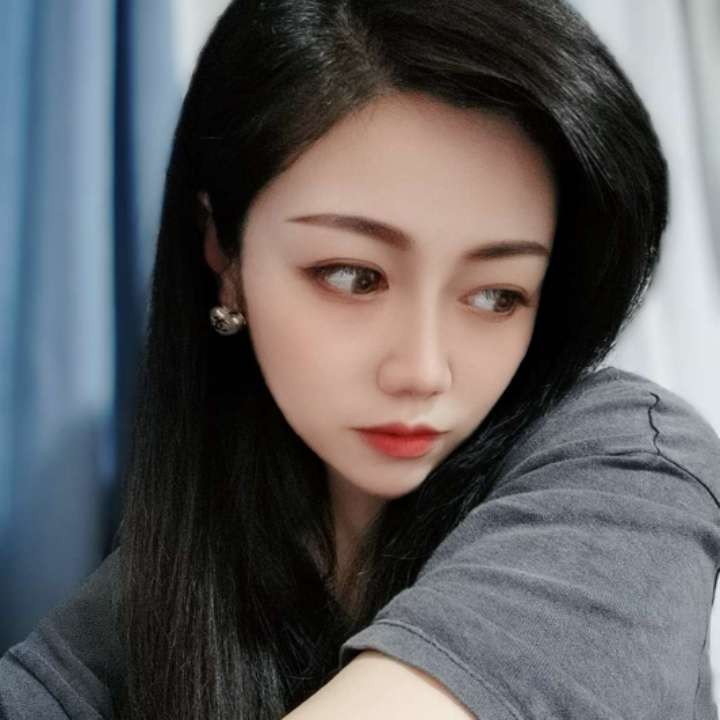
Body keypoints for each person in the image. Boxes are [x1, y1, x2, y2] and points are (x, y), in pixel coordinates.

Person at [2, 0, 719, 718]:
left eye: (496, 295)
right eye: (354, 277)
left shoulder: (633, 474)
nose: (423, 371)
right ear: (223, 250)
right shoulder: (185, 565)